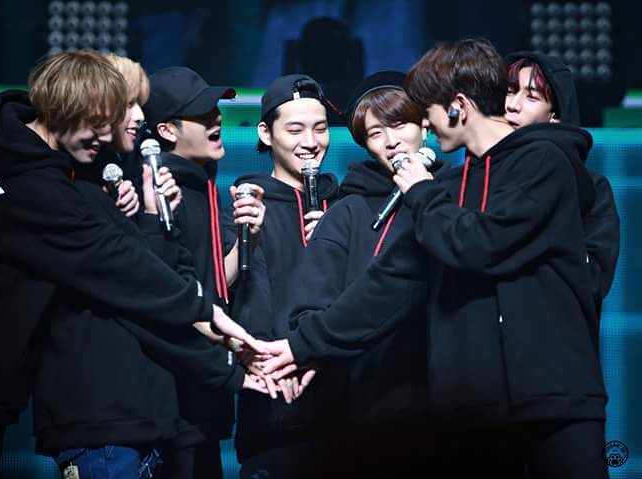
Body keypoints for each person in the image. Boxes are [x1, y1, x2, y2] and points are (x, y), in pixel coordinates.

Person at [258, 38, 609, 478]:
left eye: (428, 111)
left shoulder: (544, 162)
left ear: (458, 107)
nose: (424, 123)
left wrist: (421, 193)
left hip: (555, 401)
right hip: (475, 413)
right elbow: (392, 280)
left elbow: (482, 244)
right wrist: (302, 344)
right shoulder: (448, 189)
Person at [0, 50, 263, 478]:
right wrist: (211, 320)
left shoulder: (10, 160)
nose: (109, 133)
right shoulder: (34, 191)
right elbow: (125, 268)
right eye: (101, 120)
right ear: (64, 110)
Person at [284, 71, 445, 477]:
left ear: (425, 126)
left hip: (449, 409)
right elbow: (307, 309)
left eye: (400, 124)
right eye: (375, 133)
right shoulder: (349, 212)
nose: (391, 141)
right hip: (365, 409)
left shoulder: (454, 200)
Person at [143, 66, 268, 479]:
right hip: (170, 398)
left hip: (203, 396)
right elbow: (169, 295)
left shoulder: (201, 184)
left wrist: (248, 237)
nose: (216, 119)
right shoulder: (160, 190)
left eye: (215, 109)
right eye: (200, 114)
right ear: (166, 130)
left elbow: (210, 287)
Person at [227, 73, 340, 479]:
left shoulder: (345, 204)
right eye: (295, 130)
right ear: (266, 133)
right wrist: (279, 363)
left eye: (320, 129)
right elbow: (241, 295)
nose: (310, 142)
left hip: (345, 407)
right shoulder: (246, 204)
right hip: (275, 407)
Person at [505, 51, 620, 321]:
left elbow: (594, 280)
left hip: (553, 336)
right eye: (509, 92)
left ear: (555, 116)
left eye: (531, 97)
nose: (513, 105)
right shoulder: (480, 176)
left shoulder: (591, 188)